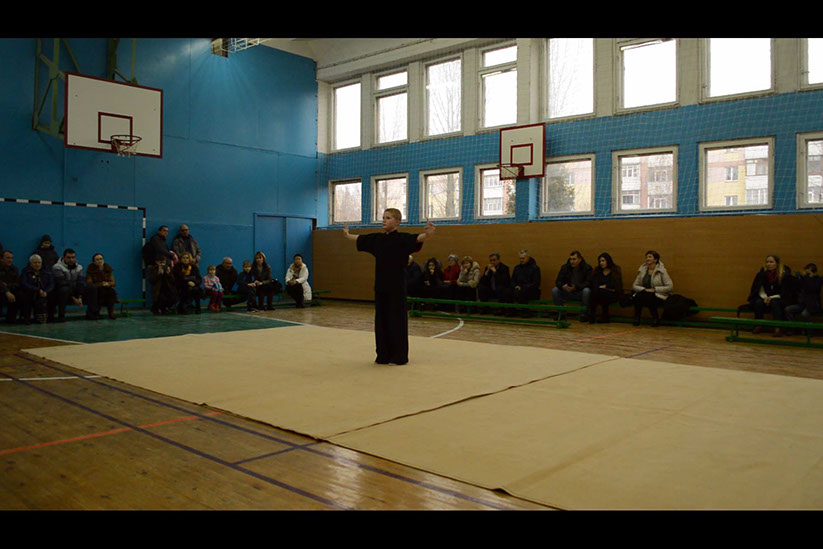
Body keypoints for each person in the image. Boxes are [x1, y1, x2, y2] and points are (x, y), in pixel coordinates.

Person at [343, 208, 435, 365]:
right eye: (383, 217)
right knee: (381, 322)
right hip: (380, 287)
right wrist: (347, 235)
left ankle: (399, 356)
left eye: (388, 218)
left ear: (397, 221)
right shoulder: (377, 239)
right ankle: (383, 355)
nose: (384, 220)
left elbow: (418, 238)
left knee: (397, 321)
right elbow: (360, 238)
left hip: (397, 287)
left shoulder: (402, 239)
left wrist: (428, 234)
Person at [747, 254, 795, 336]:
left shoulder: (784, 275)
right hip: (765, 297)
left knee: (775, 302)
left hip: (780, 298)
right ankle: (758, 324)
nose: (768, 264)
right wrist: (765, 298)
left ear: (777, 264)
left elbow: (785, 292)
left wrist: (771, 298)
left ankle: (777, 327)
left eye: (771, 262)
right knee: (758, 302)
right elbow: (759, 289)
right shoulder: (761, 274)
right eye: (767, 262)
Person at [631, 250, 673, 327]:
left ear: (655, 259)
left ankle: (655, 318)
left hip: (658, 295)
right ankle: (637, 318)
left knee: (650, 297)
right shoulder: (642, 270)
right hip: (645, 293)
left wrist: (655, 289)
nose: (647, 259)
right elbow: (634, 285)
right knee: (638, 296)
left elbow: (669, 286)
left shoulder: (662, 271)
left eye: (650, 257)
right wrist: (643, 289)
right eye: (646, 257)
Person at [552, 251, 594, 322]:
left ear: (580, 259)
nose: (572, 261)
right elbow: (558, 281)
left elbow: (589, 283)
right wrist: (563, 286)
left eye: (574, 259)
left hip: (580, 292)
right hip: (567, 291)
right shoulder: (565, 267)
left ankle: (583, 314)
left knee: (587, 291)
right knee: (555, 290)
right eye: (570, 259)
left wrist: (576, 287)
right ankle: (561, 313)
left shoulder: (587, 268)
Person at [500, 250, 541, 316]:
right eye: (520, 258)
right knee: (506, 291)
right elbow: (512, 280)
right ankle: (511, 310)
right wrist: (515, 286)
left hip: (531, 290)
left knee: (520, 292)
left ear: (528, 258)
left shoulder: (535, 268)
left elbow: (536, 283)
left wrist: (522, 287)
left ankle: (526, 311)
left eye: (523, 258)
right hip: (517, 288)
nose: (521, 260)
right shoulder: (517, 268)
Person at [50, 248, 85, 322]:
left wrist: (79, 297)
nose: (71, 260)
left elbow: (81, 282)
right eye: (69, 257)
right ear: (64, 258)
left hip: (75, 291)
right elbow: (62, 283)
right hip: (60, 292)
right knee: (64, 289)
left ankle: (92, 314)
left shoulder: (79, 267)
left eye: (73, 257)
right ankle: (61, 316)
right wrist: (73, 298)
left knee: (92, 288)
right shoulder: (57, 267)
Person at [589, 252, 624, 324]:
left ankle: (603, 316)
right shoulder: (597, 271)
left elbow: (617, 285)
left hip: (613, 294)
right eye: (600, 261)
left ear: (608, 261)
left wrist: (606, 286)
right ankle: (592, 315)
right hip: (599, 293)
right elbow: (594, 283)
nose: (601, 263)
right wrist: (602, 287)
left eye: (603, 261)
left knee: (602, 293)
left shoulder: (615, 270)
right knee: (595, 292)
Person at [19, 254, 55, 324]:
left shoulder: (47, 271)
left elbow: (51, 284)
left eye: (39, 262)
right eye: (35, 263)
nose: (37, 264)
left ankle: (49, 317)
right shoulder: (26, 271)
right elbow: (24, 283)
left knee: (53, 295)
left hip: (45, 292)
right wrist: (37, 290)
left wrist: (46, 292)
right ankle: (26, 318)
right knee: (25, 296)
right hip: (31, 292)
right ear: (31, 264)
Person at [84, 253, 118, 320]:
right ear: (94, 262)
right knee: (102, 292)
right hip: (96, 289)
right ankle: (96, 312)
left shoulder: (108, 268)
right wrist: (101, 284)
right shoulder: (90, 269)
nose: (100, 261)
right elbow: (89, 282)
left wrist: (108, 284)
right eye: (97, 259)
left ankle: (111, 313)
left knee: (112, 292)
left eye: (101, 259)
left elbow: (113, 282)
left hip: (107, 288)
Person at [0, 250, 22, 323]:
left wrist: (7, 286)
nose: (10, 260)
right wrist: (6, 291)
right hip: (2, 292)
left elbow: (17, 283)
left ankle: (11, 318)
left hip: (11, 291)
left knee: (20, 295)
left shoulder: (14, 268)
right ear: (1, 259)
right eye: (8, 258)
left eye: (11, 258)